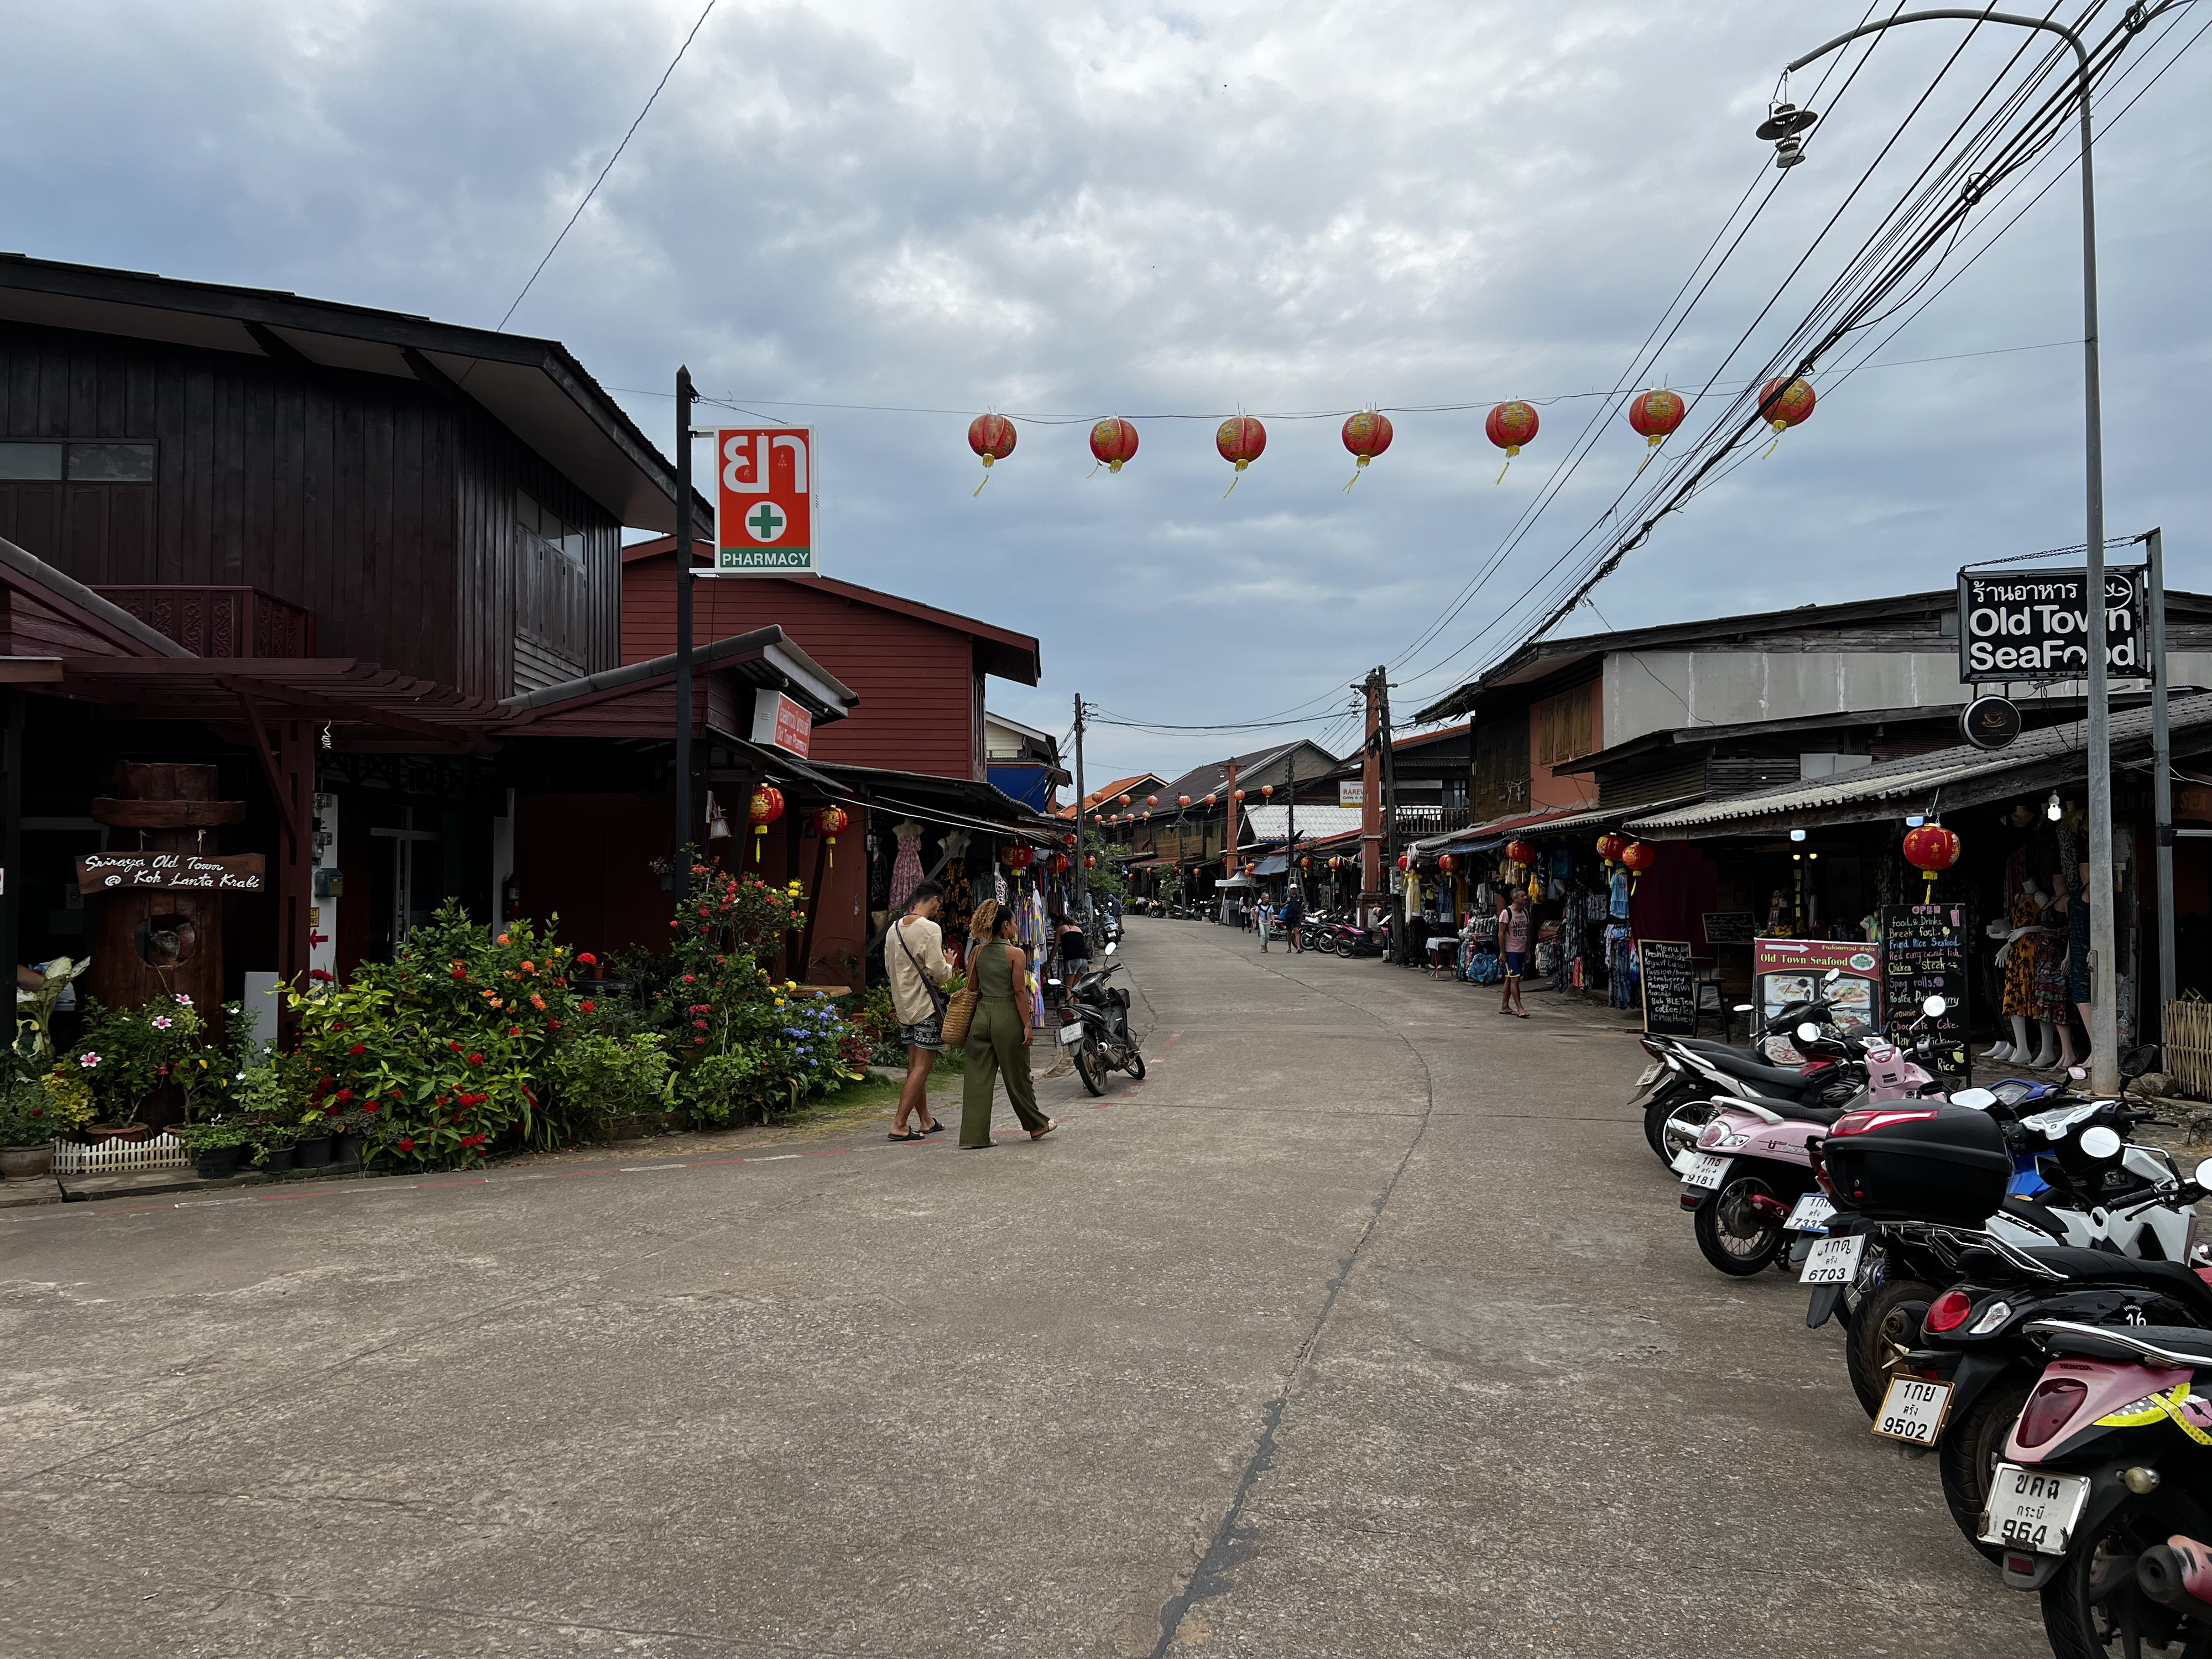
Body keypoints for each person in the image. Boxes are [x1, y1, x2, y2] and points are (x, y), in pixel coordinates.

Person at [958, 899, 1058, 1150]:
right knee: (1018, 1076)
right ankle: (1036, 1126)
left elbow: (971, 989)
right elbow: (1019, 992)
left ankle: (974, 1136)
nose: (1016, 926)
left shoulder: (977, 952)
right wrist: (1027, 1024)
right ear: (1005, 926)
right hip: (1006, 1016)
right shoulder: (1016, 954)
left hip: (981, 1016)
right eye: (1014, 922)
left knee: (977, 1078)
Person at [884, 879, 955, 1140]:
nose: (939, 909)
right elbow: (939, 974)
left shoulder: (893, 929)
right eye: (940, 904)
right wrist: (949, 964)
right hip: (925, 1005)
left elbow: (890, 969)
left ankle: (926, 1120)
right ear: (935, 899)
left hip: (904, 1005)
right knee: (923, 1067)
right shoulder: (929, 929)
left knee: (914, 1066)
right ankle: (900, 1124)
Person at [1498, 888, 1532, 1018]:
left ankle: (1505, 1006)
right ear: (1515, 899)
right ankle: (1520, 1008)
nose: (1525, 898)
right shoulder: (1506, 913)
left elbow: (1528, 933)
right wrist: (1503, 953)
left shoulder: (1525, 913)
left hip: (1521, 951)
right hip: (1510, 951)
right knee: (1515, 980)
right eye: (1522, 896)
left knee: (1510, 978)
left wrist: (1528, 950)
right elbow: (1501, 934)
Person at [1281, 886, 1305, 954]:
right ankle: (1289, 948)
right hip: (1289, 916)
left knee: (1297, 931)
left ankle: (1298, 948)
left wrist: (1302, 915)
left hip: (1297, 916)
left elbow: (1301, 906)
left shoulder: (1299, 897)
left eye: (1295, 889)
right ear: (1290, 889)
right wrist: (1287, 902)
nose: (1294, 890)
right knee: (1289, 932)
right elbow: (1282, 905)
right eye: (1293, 889)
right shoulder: (1286, 896)